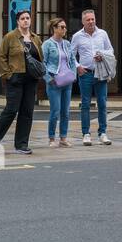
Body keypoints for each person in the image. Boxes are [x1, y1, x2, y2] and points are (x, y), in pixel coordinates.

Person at [0, 10, 44, 157]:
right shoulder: (10, 37)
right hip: (15, 79)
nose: (26, 21)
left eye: (28, 18)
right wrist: (8, 75)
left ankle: (22, 144)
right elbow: (1, 57)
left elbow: (40, 58)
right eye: (22, 18)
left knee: (27, 112)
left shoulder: (35, 38)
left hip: (31, 80)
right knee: (11, 111)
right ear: (17, 21)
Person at [71, 9, 114, 146]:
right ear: (83, 21)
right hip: (86, 74)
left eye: (93, 19)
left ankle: (102, 133)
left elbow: (110, 50)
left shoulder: (102, 34)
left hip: (100, 73)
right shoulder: (77, 36)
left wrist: (102, 55)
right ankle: (86, 134)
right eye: (88, 20)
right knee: (85, 104)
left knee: (102, 103)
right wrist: (78, 67)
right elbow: (71, 55)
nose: (91, 22)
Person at [42, 17, 77, 147]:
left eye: (65, 27)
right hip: (54, 82)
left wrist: (73, 75)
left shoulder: (67, 44)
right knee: (55, 111)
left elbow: (72, 60)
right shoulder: (47, 44)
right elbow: (42, 64)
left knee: (66, 112)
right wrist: (48, 79)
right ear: (54, 29)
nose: (64, 29)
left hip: (67, 81)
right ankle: (51, 138)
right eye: (62, 27)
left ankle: (63, 138)